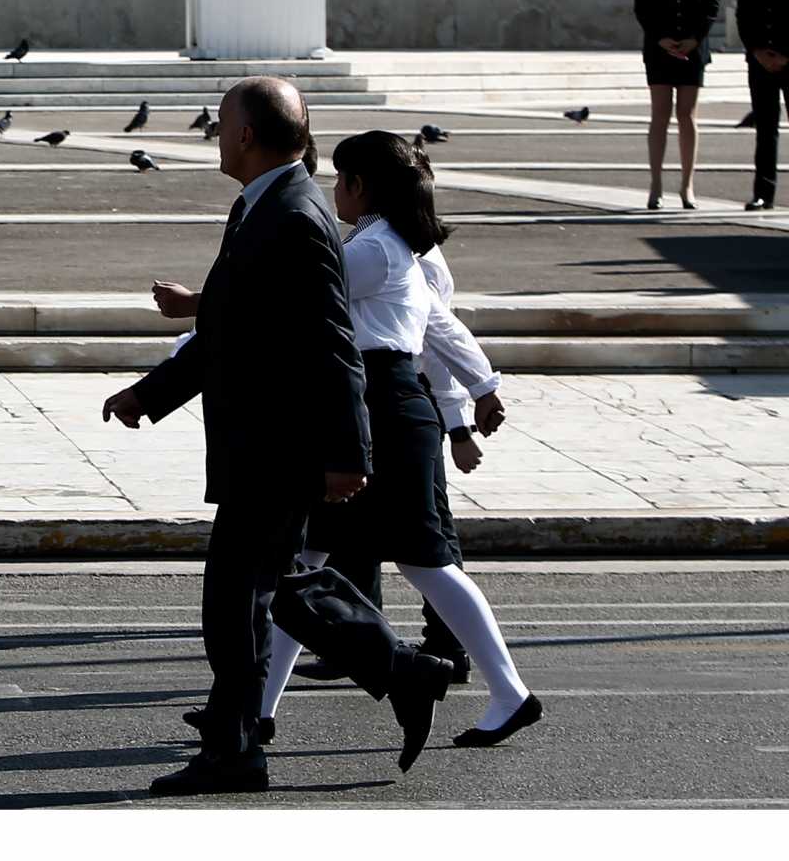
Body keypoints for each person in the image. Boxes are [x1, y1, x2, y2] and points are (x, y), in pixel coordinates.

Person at [102, 78, 457, 795]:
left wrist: (348, 453)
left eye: (223, 122)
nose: (215, 134)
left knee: (236, 600)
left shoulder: (293, 216)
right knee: (274, 590)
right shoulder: (259, 206)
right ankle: (399, 672)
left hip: (280, 445)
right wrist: (151, 393)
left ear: (246, 135)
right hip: (258, 441)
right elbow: (229, 326)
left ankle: (237, 749)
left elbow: (334, 343)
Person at [236, 133, 541, 750]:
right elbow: (444, 326)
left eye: (342, 179)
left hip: (383, 409)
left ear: (363, 186)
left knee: (422, 562)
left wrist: (198, 312)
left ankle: (510, 692)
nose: (334, 191)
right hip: (374, 404)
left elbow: (286, 301)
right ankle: (259, 710)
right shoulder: (385, 243)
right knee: (312, 564)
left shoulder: (373, 249)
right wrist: (482, 385)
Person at [633, 0, 720, 208]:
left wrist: (696, 38)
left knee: (687, 115)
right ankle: (655, 185)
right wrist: (660, 38)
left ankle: (687, 186)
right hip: (660, 47)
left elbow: (711, 4)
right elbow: (643, 4)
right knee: (660, 114)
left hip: (693, 46)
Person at [736, 0, 789, 210]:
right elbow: (745, 15)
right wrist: (757, 51)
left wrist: (786, 55)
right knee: (765, 129)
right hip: (760, 62)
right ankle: (763, 192)